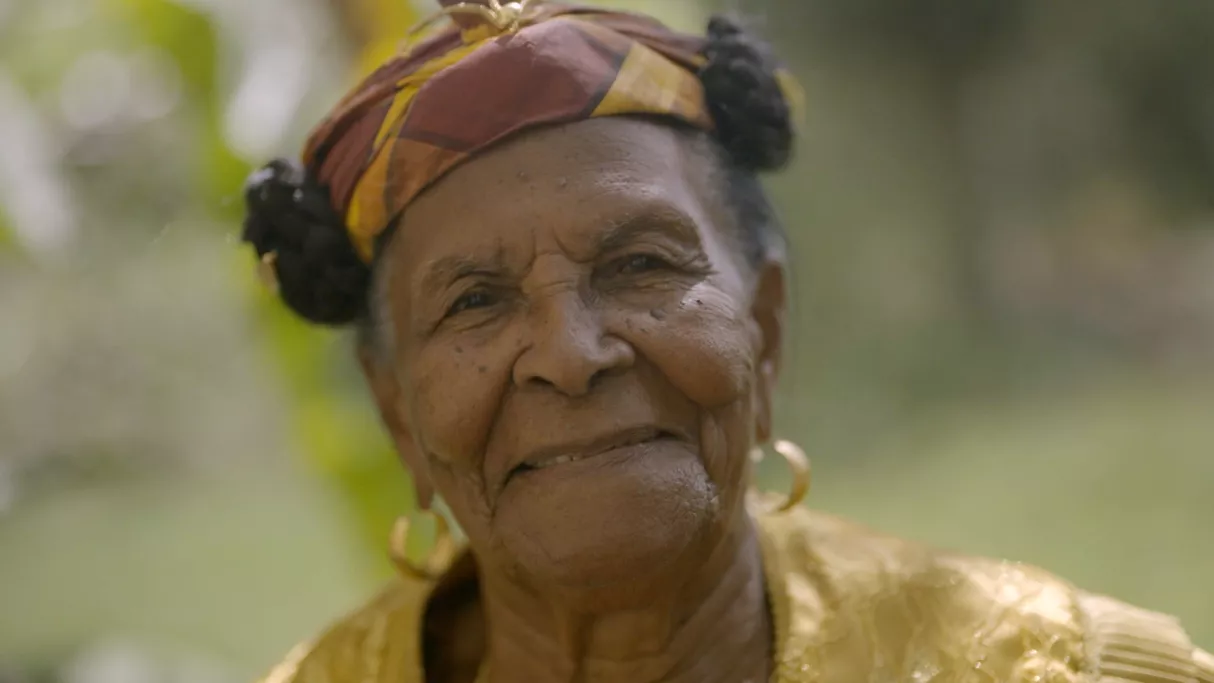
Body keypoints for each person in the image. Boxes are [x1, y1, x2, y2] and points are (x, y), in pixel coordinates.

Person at [242, 2, 1212, 682]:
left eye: (640, 266)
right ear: (395, 413)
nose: (572, 353)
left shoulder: (1061, 667)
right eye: (474, 303)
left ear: (766, 323)